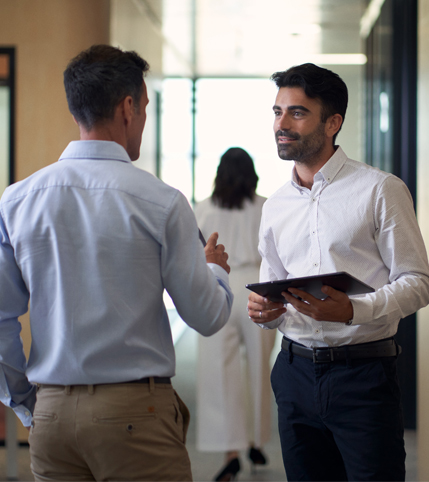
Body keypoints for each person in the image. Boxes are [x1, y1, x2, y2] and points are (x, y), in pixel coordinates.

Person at [0, 44, 233, 482]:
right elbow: (206, 315)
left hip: (50, 417)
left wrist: (28, 404)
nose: (145, 119)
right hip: (134, 417)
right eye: (145, 107)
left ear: (77, 111)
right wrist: (215, 269)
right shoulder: (161, 202)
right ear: (128, 108)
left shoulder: (17, 200)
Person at [247, 62, 429, 482]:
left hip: (362, 377)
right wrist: (263, 311)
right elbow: (271, 288)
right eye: (277, 112)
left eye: (297, 113)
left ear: (333, 122)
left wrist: (353, 311)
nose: (282, 124)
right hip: (293, 375)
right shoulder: (274, 206)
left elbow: (418, 283)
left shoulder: (380, 189)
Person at [194, 148, 277, 481]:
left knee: (219, 372)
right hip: (258, 288)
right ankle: (256, 439)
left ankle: (231, 451)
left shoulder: (201, 209)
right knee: (258, 369)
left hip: (218, 286)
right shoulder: (265, 206)